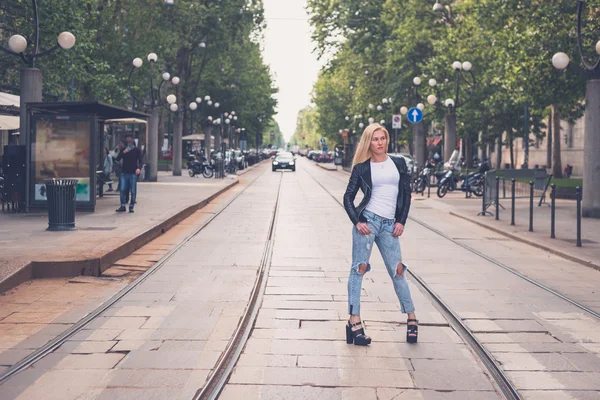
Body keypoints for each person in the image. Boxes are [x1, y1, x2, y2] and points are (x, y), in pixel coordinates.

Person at [343, 123, 417, 345]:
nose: (380, 142)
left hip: (389, 225)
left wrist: (401, 221)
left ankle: (411, 318)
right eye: (375, 139)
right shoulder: (362, 168)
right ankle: (354, 321)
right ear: (369, 142)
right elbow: (348, 197)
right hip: (369, 222)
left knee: (398, 271)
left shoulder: (398, 163)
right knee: (359, 269)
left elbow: (406, 193)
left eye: (382, 138)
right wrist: (357, 221)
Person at [115, 134, 142, 213]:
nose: (129, 142)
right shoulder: (123, 149)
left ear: (132, 140)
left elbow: (140, 160)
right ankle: (123, 205)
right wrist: (123, 152)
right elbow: (118, 158)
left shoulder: (137, 150)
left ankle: (131, 206)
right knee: (122, 189)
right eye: (127, 140)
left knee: (133, 190)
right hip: (124, 172)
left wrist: (139, 168)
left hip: (133, 173)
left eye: (130, 140)